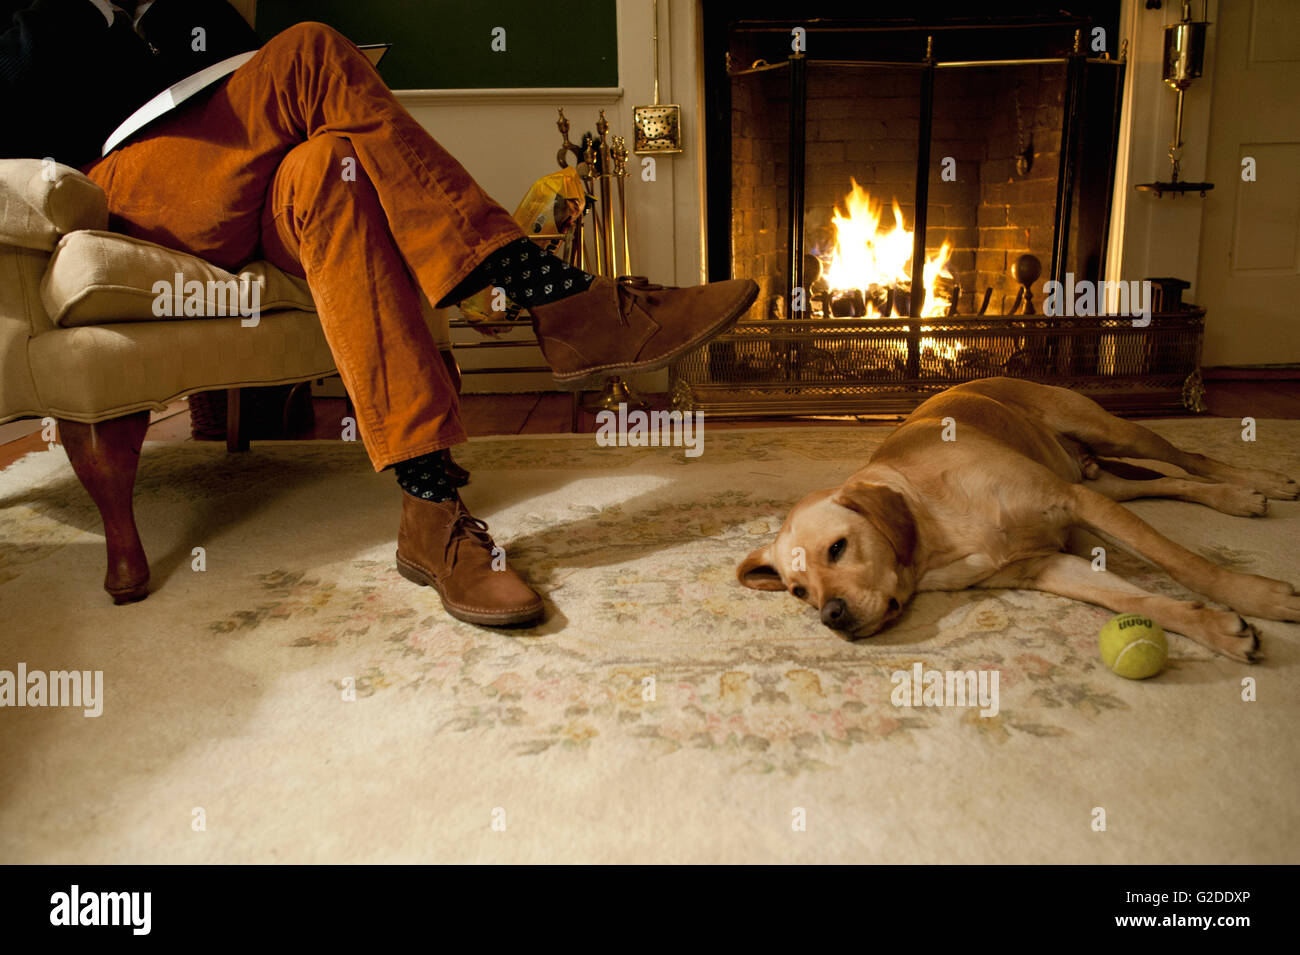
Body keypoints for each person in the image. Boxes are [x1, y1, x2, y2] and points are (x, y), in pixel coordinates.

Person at [1, 0, 757, 626]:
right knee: (310, 52)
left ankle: (430, 509)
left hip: (255, 180)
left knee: (338, 168)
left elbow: (236, 72)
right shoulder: (40, 17)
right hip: (134, 183)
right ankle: (558, 295)